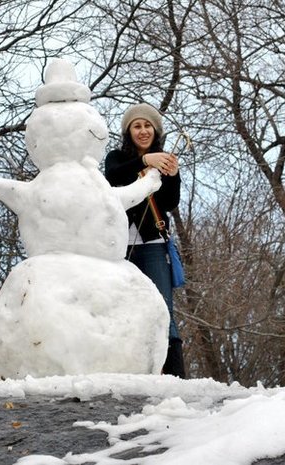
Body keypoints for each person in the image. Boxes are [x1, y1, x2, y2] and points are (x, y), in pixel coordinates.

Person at [104, 103, 186, 378]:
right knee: (122, 311)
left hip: (152, 247)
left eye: (148, 126)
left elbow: (170, 202)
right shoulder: (116, 158)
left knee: (163, 310)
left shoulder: (163, 161)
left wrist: (172, 176)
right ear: (129, 132)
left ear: (155, 130)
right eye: (137, 126)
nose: (143, 131)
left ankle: (175, 377)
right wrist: (144, 162)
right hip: (119, 247)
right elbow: (113, 176)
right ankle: (130, 372)